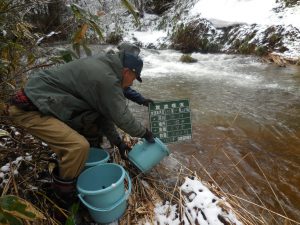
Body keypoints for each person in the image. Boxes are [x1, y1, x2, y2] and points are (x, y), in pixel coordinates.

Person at [6, 46, 155, 204]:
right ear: (127, 72)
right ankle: (63, 195)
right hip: (31, 109)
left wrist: (118, 142)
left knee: (92, 125)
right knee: (77, 147)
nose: (132, 82)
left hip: (46, 101)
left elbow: (103, 115)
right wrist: (146, 133)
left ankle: (79, 167)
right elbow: (123, 118)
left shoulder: (107, 64)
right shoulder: (107, 79)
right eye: (134, 78)